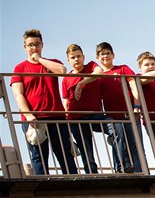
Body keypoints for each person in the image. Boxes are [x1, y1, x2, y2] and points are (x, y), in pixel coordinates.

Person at [11, 29, 78, 175]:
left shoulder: (51, 63)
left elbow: (62, 70)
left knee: (65, 153)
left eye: (37, 44)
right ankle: (42, 185)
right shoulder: (19, 68)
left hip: (57, 117)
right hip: (34, 118)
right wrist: (28, 115)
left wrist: (39, 59)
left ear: (42, 45)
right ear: (25, 47)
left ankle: (73, 183)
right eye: (30, 45)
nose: (34, 48)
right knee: (39, 156)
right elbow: (18, 94)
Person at [96, 42, 145, 173]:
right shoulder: (99, 77)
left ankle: (142, 175)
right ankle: (122, 171)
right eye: (102, 54)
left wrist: (136, 107)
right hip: (113, 117)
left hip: (129, 114)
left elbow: (134, 86)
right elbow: (98, 99)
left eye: (108, 53)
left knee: (136, 147)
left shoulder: (123, 68)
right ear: (97, 58)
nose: (105, 56)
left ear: (113, 55)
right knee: (120, 145)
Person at [62, 44, 111, 174]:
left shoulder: (91, 66)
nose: (76, 59)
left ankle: (121, 164)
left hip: (95, 115)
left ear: (83, 57)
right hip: (76, 119)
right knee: (86, 150)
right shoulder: (66, 78)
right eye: (73, 57)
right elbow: (66, 101)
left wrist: (81, 83)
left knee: (116, 127)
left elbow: (99, 72)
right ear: (68, 60)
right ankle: (92, 173)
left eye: (78, 56)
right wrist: (67, 122)